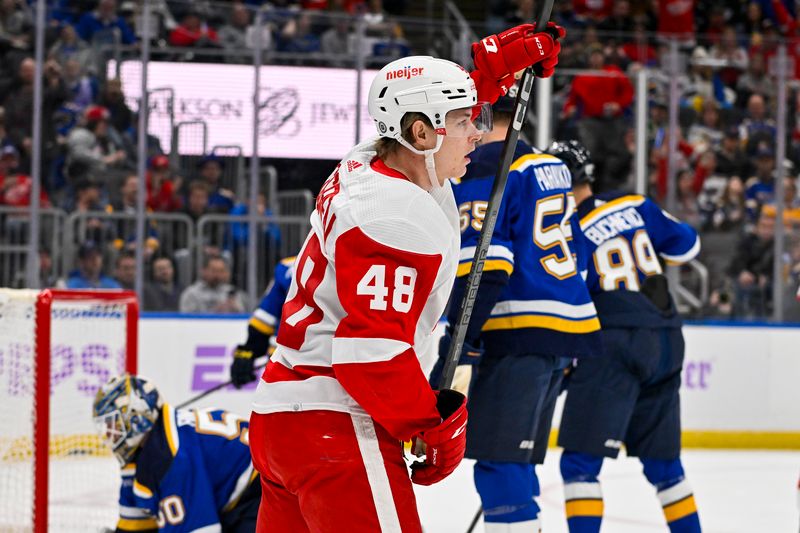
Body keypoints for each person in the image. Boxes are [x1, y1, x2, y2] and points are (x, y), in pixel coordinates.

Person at [247, 23, 565, 532]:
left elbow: (415, 114)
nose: (479, 133)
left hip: (284, 424)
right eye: (466, 121)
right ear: (422, 133)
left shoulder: (370, 162)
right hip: (339, 427)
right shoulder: (393, 216)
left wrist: (488, 77)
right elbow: (368, 352)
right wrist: (428, 424)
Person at [430, 105, 602, 530]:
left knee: (498, 465)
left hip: (517, 333)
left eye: (464, 124)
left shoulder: (491, 164)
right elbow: (583, 258)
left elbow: (487, 265)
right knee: (517, 465)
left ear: (481, 124)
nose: (463, 137)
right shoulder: (551, 168)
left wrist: (459, 339)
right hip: (564, 334)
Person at [555, 141, 702, 533]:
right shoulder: (633, 203)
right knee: (665, 466)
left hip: (614, 342)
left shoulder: (563, 233)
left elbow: (569, 300)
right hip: (667, 338)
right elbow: (688, 245)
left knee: (578, 466)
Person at [92, 373, 260, 532]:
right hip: (245, 493)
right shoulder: (148, 449)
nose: (108, 434)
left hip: (261, 491)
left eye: (112, 424)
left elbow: (201, 529)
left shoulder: (170, 458)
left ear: (136, 417)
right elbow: (135, 524)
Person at [230, 256, 296, 389]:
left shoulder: (290, 266)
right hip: (286, 364)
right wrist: (248, 351)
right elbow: (266, 316)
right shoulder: (288, 267)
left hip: (290, 363)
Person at [179, 255, 247, 313]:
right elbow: (186, 320)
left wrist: (234, 308)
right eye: (213, 271)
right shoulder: (191, 293)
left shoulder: (231, 292)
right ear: (203, 271)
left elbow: (242, 316)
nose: (217, 275)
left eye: (221, 271)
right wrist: (215, 312)